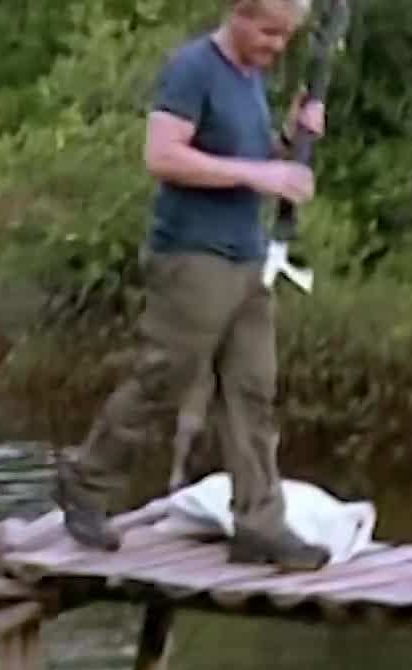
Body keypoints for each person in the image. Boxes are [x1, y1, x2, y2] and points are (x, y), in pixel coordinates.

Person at [52, 0, 332, 571]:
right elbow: (163, 156)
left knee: (253, 392)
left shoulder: (249, 78)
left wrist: (288, 139)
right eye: (269, 31)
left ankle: (259, 525)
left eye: (285, 36)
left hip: (248, 258)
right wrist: (264, 174)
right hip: (192, 256)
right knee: (166, 378)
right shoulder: (193, 68)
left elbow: (245, 158)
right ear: (238, 13)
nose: (278, 45)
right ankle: (86, 481)